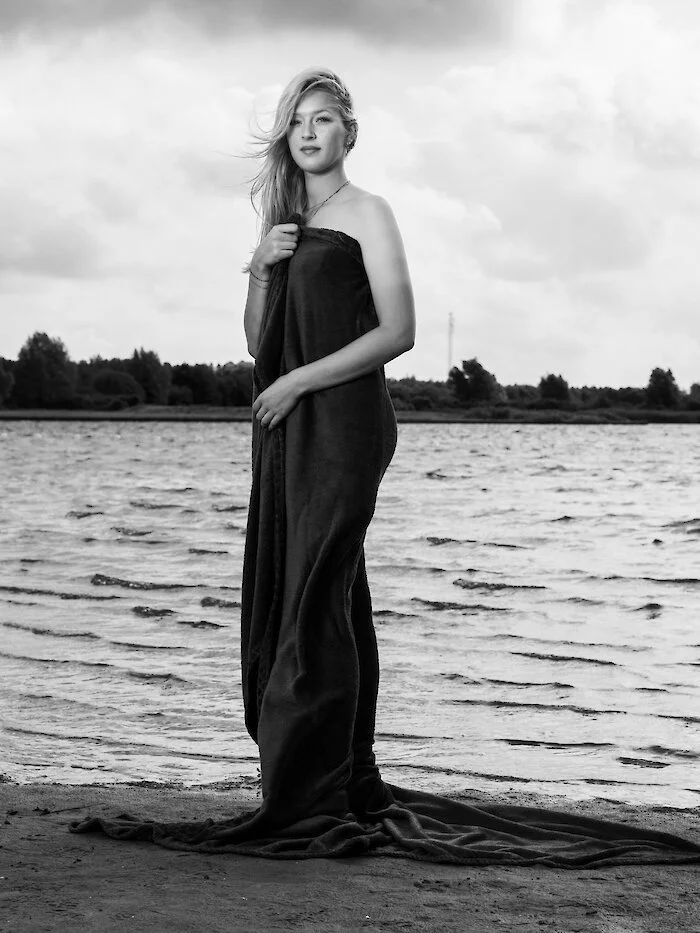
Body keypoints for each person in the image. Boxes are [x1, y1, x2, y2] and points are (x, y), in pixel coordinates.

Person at [69, 69, 700, 866]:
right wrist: (262, 267)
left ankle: (314, 788)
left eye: (324, 119)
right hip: (288, 430)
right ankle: (338, 772)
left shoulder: (371, 212)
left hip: (343, 423)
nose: (308, 132)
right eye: (297, 120)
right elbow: (256, 341)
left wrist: (298, 380)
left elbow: (398, 330)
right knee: (316, 591)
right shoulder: (285, 218)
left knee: (315, 594)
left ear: (349, 134)